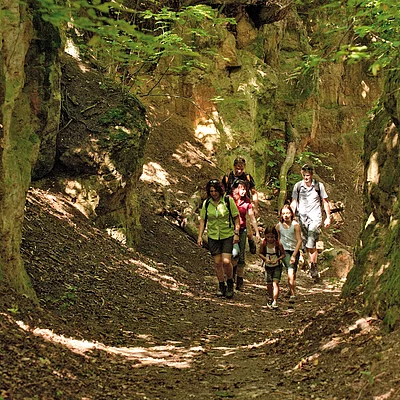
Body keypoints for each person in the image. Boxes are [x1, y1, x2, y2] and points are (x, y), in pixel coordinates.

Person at [197, 179, 240, 298]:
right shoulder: (206, 203)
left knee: (226, 262)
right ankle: (222, 285)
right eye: (211, 191)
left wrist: (236, 233)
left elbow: (236, 218)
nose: (213, 193)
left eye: (215, 190)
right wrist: (200, 236)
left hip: (227, 235)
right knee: (217, 263)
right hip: (213, 236)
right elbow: (202, 221)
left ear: (220, 190)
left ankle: (230, 282)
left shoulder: (227, 200)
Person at [290, 164, 331, 282]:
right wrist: (291, 216)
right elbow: (294, 202)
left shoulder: (319, 186)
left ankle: (313, 266)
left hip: (315, 217)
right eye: (304, 175)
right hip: (302, 218)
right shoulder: (298, 186)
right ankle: (313, 265)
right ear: (302, 174)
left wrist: (328, 217)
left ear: (312, 175)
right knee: (306, 244)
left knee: (311, 241)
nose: (306, 177)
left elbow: (325, 201)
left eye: (308, 175)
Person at [222, 157, 259, 253]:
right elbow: (222, 191)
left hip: (244, 204)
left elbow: (254, 192)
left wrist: (255, 207)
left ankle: (251, 240)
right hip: (231, 203)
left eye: (241, 169)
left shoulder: (247, 177)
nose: (239, 171)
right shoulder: (228, 177)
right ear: (234, 166)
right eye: (237, 168)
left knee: (246, 226)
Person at [230, 180, 260, 290]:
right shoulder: (229, 199)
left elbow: (251, 217)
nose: (243, 191)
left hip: (242, 230)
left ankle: (240, 280)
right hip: (229, 230)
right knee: (233, 254)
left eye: (245, 189)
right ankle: (231, 275)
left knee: (241, 255)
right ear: (236, 189)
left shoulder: (247, 201)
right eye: (241, 188)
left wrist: (256, 232)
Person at [276, 204, 302, 303]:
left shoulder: (295, 225)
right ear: (281, 215)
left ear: (291, 214)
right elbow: (277, 240)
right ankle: (292, 294)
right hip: (284, 251)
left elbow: (299, 240)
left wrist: (295, 255)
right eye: (283, 214)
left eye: (287, 213)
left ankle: (290, 289)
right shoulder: (278, 226)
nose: (286, 215)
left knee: (293, 272)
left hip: (294, 250)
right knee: (290, 271)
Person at [259, 225, 285, 309]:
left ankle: (275, 300)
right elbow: (260, 253)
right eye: (268, 237)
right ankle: (270, 297)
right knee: (269, 284)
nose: (270, 239)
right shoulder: (264, 243)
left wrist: (277, 259)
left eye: (272, 237)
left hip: (277, 266)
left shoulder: (278, 244)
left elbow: (283, 254)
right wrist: (265, 259)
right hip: (268, 266)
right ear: (265, 236)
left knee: (275, 283)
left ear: (275, 236)